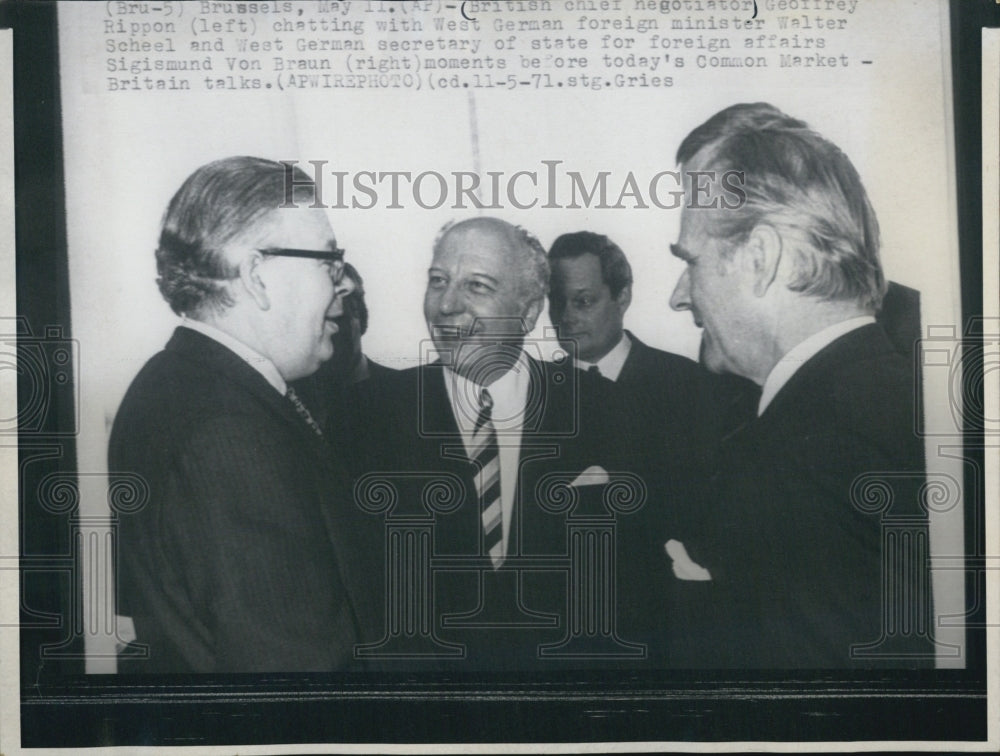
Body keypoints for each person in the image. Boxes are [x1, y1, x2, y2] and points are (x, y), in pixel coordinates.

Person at [663, 103, 932, 668]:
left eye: (693, 261)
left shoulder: (792, 460)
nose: (680, 295)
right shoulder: (924, 403)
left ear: (760, 257)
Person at [110, 156, 380, 673]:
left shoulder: (173, 382)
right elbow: (295, 678)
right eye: (329, 263)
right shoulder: (230, 434)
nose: (342, 285)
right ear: (257, 276)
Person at [354, 217, 637, 671]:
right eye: (438, 281)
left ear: (527, 312)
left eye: (477, 287)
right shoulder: (366, 416)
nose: (446, 305)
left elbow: (636, 587)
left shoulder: (605, 409)